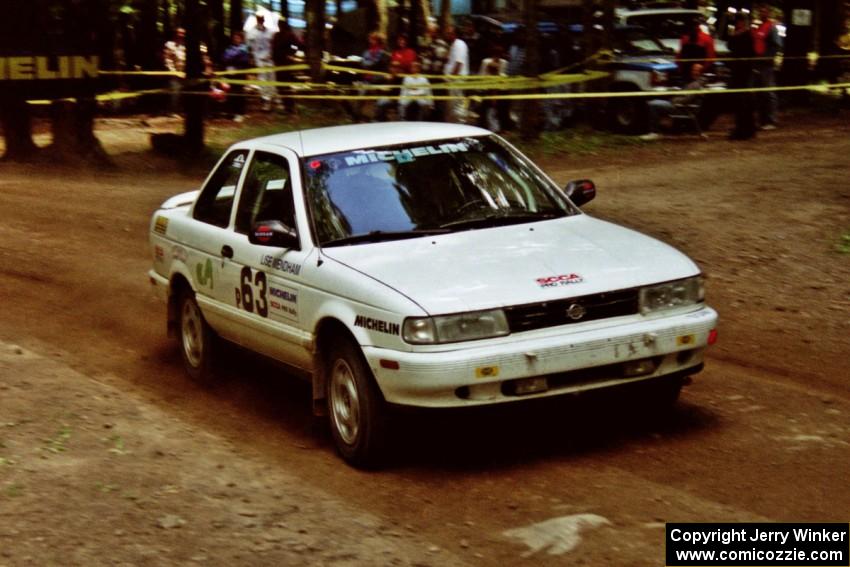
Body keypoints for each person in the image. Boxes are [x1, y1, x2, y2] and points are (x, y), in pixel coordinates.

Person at [640, 63, 707, 140]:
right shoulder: (696, 82)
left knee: (653, 104)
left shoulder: (696, 85)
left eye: (696, 70)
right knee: (654, 102)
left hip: (682, 108)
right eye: (693, 70)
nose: (693, 72)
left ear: (701, 72)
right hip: (681, 106)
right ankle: (654, 130)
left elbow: (686, 100)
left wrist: (673, 100)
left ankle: (654, 132)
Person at [728, 12, 757, 140]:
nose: (737, 24)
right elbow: (730, 46)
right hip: (738, 71)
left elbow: (750, 53)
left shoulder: (747, 35)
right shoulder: (738, 34)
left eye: (738, 21)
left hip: (744, 72)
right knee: (740, 102)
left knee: (743, 102)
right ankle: (744, 128)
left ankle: (744, 130)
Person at [753, 3, 782, 129]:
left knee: (769, 92)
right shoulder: (759, 27)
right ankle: (763, 120)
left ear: (769, 13)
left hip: (766, 65)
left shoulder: (772, 27)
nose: (762, 14)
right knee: (761, 92)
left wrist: (767, 57)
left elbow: (776, 45)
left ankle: (771, 120)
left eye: (764, 12)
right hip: (758, 63)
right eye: (760, 11)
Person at [245, 12, 277, 111]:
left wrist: (271, 54)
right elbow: (249, 47)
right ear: (256, 19)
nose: (261, 20)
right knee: (263, 80)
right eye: (259, 18)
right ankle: (265, 101)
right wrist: (251, 59)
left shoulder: (269, 31)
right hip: (258, 59)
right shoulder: (251, 32)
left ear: (264, 20)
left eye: (262, 18)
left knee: (271, 79)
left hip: (269, 58)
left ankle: (271, 98)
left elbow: (272, 44)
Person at [476, 44, 511, 131]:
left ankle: (502, 128)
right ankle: (483, 127)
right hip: (487, 89)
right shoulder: (485, 62)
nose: (497, 56)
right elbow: (481, 76)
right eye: (495, 54)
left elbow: (504, 78)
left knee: (501, 110)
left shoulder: (504, 63)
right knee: (484, 110)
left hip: (500, 90)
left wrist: (498, 73)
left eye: (499, 54)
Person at [273, 22, 302, 114]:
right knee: (280, 86)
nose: (279, 27)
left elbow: (296, 46)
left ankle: (290, 106)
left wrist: (291, 54)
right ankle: (286, 106)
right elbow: (274, 48)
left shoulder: (290, 35)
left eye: (281, 25)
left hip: (286, 63)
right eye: (278, 25)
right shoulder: (276, 35)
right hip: (277, 63)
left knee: (286, 85)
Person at [222, 31, 251, 121]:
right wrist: (235, 55)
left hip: (240, 74)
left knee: (239, 94)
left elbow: (244, 60)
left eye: (238, 38)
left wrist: (233, 56)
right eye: (234, 38)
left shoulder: (244, 49)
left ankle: (240, 113)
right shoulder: (229, 48)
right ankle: (232, 112)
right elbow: (225, 58)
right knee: (231, 93)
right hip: (230, 74)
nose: (236, 39)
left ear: (241, 39)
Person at [444, 25, 470, 123]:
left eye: (449, 33)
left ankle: (461, 123)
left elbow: (459, 63)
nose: (447, 35)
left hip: (456, 80)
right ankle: (454, 124)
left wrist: (452, 77)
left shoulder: (459, 44)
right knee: (452, 105)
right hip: (452, 80)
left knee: (457, 104)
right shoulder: (454, 44)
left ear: (454, 34)